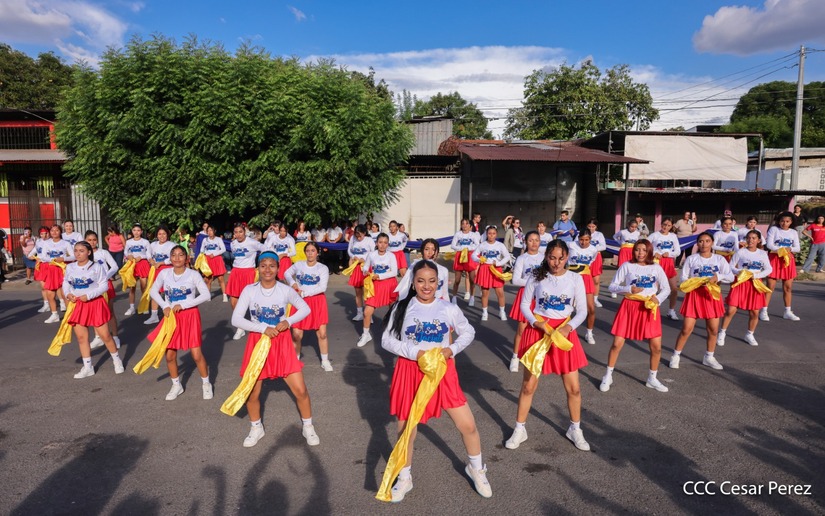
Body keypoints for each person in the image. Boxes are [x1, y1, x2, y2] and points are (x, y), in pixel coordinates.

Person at [381, 260, 491, 502]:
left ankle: (476, 468)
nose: (426, 286)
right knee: (405, 430)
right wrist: (416, 353)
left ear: (439, 282)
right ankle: (405, 476)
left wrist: (451, 350)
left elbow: (468, 331)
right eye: (421, 281)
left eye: (432, 281)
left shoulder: (447, 307)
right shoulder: (402, 307)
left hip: (442, 371)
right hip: (410, 371)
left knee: (468, 425)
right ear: (413, 282)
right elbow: (386, 341)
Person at [505, 239, 590, 452]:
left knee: (574, 388)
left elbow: (582, 310)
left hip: (563, 334)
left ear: (567, 257)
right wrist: (536, 322)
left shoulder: (575, 279)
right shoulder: (536, 276)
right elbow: (525, 304)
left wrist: (568, 327)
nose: (556, 262)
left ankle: (575, 428)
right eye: (552, 257)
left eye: (561, 258)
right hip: (539, 333)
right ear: (546, 257)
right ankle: (520, 428)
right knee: (528, 386)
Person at [230, 251, 319, 448]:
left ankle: (308, 426)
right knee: (252, 392)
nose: (267, 269)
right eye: (263, 265)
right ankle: (256, 427)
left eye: (272, 265)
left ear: (278, 268)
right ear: (258, 268)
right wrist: (263, 328)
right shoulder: (249, 290)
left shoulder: (285, 290)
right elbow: (236, 319)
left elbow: (305, 308)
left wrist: (288, 320)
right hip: (257, 343)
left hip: (281, 343)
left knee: (301, 390)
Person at [601, 240, 671, 393]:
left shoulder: (656, 267)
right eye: (637, 250)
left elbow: (667, 288)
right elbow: (612, 286)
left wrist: (658, 299)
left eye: (644, 250)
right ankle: (608, 375)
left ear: (649, 252)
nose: (640, 253)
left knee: (656, 347)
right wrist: (628, 288)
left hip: (649, 308)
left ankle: (652, 378)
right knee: (617, 344)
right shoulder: (627, 265)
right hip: (629, 306)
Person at [146, 245, 212, 400]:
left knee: (196, 354)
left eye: (180, 255)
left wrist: (183, 305)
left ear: (186, 258)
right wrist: (165, 305)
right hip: (171, 318)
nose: (177, 258)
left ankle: (206, 383)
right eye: (174, 255)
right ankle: (176, 385)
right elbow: (153, 291)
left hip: (189, 316)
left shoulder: (193, 275)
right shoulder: (164, 273)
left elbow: (205, 294)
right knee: (169, 355)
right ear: (170, 258)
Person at [668, 232, 734, 371]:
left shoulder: (719, 259)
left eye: (707, 241)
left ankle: (709, 357)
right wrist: (696, 281)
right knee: (686, 329)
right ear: (697, 243)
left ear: (712, 243)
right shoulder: (691, 259)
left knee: (713, 330)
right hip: (694, 296)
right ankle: (676, 355)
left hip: (712, 296)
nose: (704, 244)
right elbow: (684, 279)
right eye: (701, 241)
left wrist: (718, 276)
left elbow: (731, 277)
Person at [62, 241, 123, 379]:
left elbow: (104, 286)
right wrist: (68, 293)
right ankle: (88, 367)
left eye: (81, 251)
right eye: (76, 250)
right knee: (82, 338)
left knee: (105, 336)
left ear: (89, 252)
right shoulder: (70, 267)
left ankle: (116, 360)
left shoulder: (97, 267)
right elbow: (65, 282)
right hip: (78, 304)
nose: (78, 253)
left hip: (95, 303)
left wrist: (88, 295)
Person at [718, 230, 772, 347]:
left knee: (754, 312)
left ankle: (750, 334)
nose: (751, 240)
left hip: (755, 284)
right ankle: (722, 332)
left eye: (754, 238)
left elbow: (768, 269)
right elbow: (731, 266)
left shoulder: (762, 254)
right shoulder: (740, 252)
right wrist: (740, 271)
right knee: (731, 310)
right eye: (748, 238)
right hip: (740, 283)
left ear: (758, 240)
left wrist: (755, 275)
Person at [284, 242, 333, 371]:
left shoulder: (322, 268)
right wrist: (293, 284)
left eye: (313, 250)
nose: (310, 253)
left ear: (317, 252)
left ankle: (325, 360)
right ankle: (295, 360)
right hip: (299, 302)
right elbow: (286, 274)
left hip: (317, 302)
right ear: (305, 252)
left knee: (322, 334)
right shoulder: (299, 264)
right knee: (296, 334)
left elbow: (323, 287)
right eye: (308, 251)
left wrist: (305, 293)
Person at [508, 231, 543, 372]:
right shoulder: (522, 258)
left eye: (536, 240)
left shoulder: (544, 258)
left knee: (541, 328)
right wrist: (533, 283)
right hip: (526, 295)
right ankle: (515, 357)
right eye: (530, 240)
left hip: (541, 296)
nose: (534, 243)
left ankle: (537, 355)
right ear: (525, 242)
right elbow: (515, 280)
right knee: (521, 329)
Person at [356, 233, 398, 348]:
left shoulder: (391, 256)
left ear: (388, 244)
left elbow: (394, 272)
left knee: (393, 310)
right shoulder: (372, 254)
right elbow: (366, 266)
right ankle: (365, 334)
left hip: (389, 284)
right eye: (380, 242)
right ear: (376, 243)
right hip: (375, 286)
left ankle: (394, 332)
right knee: (367, 312)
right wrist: (365, 270)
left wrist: (379, 276)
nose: (382, 245)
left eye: (385, 243)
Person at [226, 223, 265, 341]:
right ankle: (241, 327)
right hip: (236, 273)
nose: (238, 234)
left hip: (249, 273)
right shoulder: (233, 244)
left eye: (240, 232)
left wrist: (261, 265)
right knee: (233, 302)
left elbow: (265, 249)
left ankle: (258, 324)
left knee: (253, 301)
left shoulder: (252, 242)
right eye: (236, 232)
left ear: (245, 232)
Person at [29, 225, 74, 323]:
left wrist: (63, 259)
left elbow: (73, 257)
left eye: (56, 230)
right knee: (50, 293)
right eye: (52, 230)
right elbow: (43, 256)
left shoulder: (66, 243)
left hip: (62, 269)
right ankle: (54, 314)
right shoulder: (46, 243)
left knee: (64, 293)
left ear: (60, 232)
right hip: (51, 269)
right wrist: (53, 260)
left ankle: (69, 314)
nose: (54, 232)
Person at [85, 230, 121, 351]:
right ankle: (97, 337)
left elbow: (115, 266)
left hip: (106, 285)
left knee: (109, 311)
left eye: (94, 240)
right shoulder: (84, 255)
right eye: (89, 240)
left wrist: (105, 276)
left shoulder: (103, 252)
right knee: (96, 312)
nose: (92, 242)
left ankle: (115, 336)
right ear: (85, 241)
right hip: (92, 287)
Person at [763, 212, 801, 321]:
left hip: (788, 261)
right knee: (770, 286)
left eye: (787, 221)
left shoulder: (793, 232)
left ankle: (787, 311)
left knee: (788, 288)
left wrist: (790, 249)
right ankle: (764, 311)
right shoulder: (774, 230)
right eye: (782, 221)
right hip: (774, 259)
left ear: (791, 222)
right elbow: (769, 245)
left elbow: (797, 248)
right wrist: (782, 249)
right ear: (779, 221)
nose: (784, 223)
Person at [472, 225, 511, 322]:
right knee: (485, 293)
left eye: (493, 233)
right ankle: (485, 312)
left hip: (496, 269)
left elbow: (507, 256)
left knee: (500, 292)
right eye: (489, 233)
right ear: (487, 234)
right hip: (485, 269)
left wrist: (498, 263)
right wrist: (479, 259)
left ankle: (502, 311)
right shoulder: (482, 245)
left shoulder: (500, 245)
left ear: (496, 234)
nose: (491, 235)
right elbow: (473, 255)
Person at [568, 229, 599, 345]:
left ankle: (589, 333)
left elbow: (591, 263)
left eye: (586, 240)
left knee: (591, 308)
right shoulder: (570, 245)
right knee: (568, 307)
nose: (583, 242)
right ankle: (567, 330)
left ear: (590, 239)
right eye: (581, 239)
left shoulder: (594, 250)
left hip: (586, 278)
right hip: (572, 277)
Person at [395, 238, 450, 302]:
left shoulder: (444, 270)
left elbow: (445, 293)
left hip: (438, 304)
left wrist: (448, 306)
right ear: (422, 251)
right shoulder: (414, 267)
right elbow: (405, 288)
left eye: (433, 249)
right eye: (427, 249)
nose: (430, 252)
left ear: (437, 252)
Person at [649, 217, 682, 320]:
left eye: (668, 225)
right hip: (657, 263)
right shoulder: (654, 235)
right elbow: (645, 246)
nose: (666, 227)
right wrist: (654, 253)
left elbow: (678, 251)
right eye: (664, 224)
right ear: (661, 224)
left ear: (672, 226)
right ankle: (650, 309)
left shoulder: (673, 236)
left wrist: (670, 253)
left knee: (674, 289)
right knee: (654, 289)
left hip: (669, 263)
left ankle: (671, 311)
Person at [144, 225, 177, 325]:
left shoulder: (172, 245)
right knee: (154, 291)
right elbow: (148, 253)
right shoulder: (153, 244)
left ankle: (170, 313)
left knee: (168, 292)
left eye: (164, 234)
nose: (162, 236)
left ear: (167, 234)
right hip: (155, 270)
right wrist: (150, 259)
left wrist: (162, 263)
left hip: (167, 270)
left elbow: (173, 258)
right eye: (159, 234)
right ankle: (154, 315)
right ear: (156, 235)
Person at [346, 224, 375, 321]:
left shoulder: (369, 240)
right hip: (356, 267)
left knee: (367, 291)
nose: (358, 238)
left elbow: (373, 252)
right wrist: (353, 256)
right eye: (357, 235)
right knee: (358, 292)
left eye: (360, 235)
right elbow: (349, 250)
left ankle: (368, 314)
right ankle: (359, 313)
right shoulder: (353, 238)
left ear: (364, 233)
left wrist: (365, 258)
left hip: (366, 267)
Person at [450, 219, 481, 305]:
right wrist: (461, 249)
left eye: (466, 224)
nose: (464, 225)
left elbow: (477, 245)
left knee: (472, 279)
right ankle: (454, 297)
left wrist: (468, 248)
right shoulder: (458, 234)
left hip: (470, 256)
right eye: (463, 223)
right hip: (460, 256)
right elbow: (453, 245)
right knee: (457, 280)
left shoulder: (473, 235)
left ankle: (472, 297)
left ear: (470, 226)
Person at [123, 224, 152, 317]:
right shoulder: (128, 242)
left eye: (138, 230)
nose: (136, 232)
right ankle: (132, 308)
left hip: (143, 263)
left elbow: (148, 254)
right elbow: (126, 251)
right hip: (132, 264)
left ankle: (145, 306)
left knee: (144, 286)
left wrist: (141, 257)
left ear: (141, 232)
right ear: (132, 231)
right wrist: (128, 256)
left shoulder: (146, 242)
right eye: (134, 230)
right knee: (132, 286)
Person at [199, 225, 228, 300]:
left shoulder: (218, 239)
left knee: (220, 278)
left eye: (211, 230)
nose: (209, 232)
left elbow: (223, 249)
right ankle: (208, 296)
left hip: (217, 259)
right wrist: (206, 254)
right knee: (208, 279)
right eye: (208, 231)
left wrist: (214, 254)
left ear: (214, 231)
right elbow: (201, 250)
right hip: (208, 260)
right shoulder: (205, 240)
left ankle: (224, 295)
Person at [586, 219, 607, 308]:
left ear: (596, 227)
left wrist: (593, 248)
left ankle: (595, 299)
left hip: (596, 257)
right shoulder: (583, 233)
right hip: (585, 257)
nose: (591, 228)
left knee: (596, 280)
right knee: (584, 279)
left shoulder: (599, 235)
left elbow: (603, 246)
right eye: (589, 226)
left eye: (593, 226)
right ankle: (581, 299)